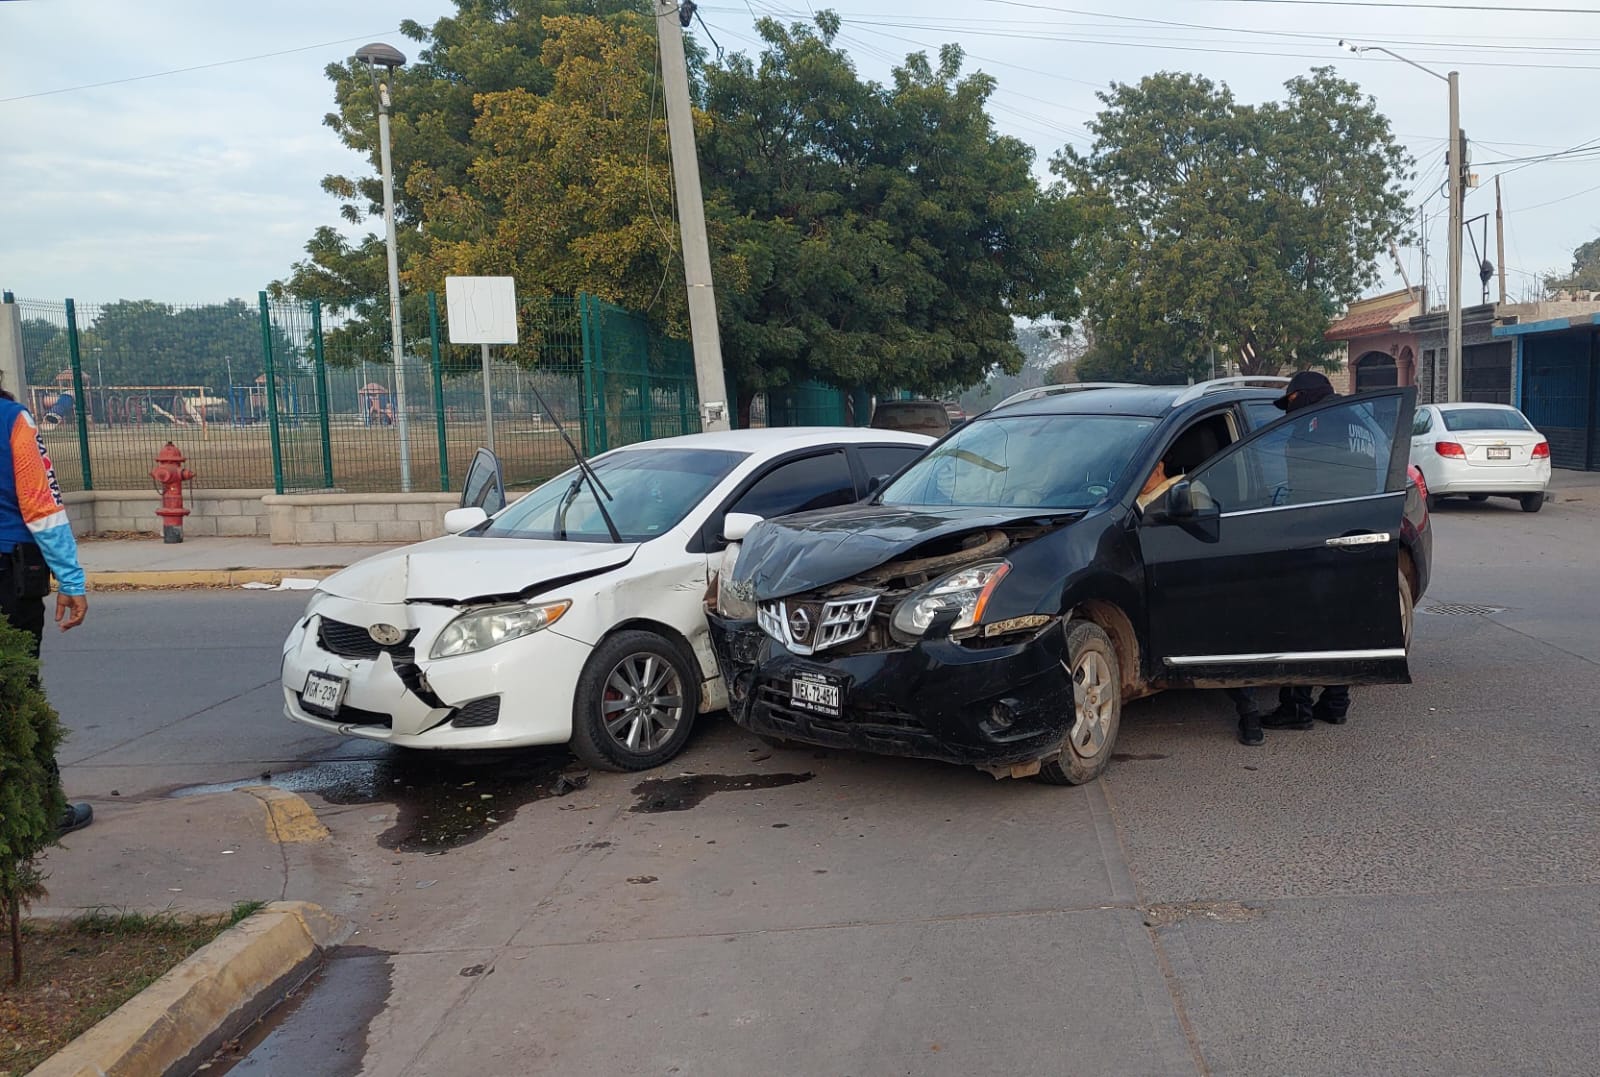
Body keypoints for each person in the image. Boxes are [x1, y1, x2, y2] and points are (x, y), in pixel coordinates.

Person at [0, 385, 92, 833]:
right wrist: (71, 580)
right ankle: (43, 807)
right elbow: (41, 505)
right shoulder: (13, 420)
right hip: (8, 577)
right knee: (18, 695)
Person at [1260, 370, 1352, 731]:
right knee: (1338, 624)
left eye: (1291, 404)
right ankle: (1335, 701)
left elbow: (1309, 482)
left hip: (1317, 532)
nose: (1289, 414)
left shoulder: (1317, 424)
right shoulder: (1360, 417)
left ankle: (1296, 707)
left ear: (1302, 397)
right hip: (1355, 528)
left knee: (1302, 623)